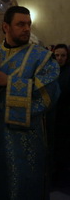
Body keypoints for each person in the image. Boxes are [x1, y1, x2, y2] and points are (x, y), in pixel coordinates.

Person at [0, 6, 60, 199]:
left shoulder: (40, 57)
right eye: (20, 24)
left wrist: (10, 82)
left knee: (22, 187)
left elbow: (49, 94)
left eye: (28, 24)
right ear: (6, 26)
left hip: (24, 140)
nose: (26, 29)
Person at [50, 44, 70, 186]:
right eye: (57, 55)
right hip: (52, 115)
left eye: (63, 55)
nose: (60, 58)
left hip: (66, 116)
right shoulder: (50, 71)